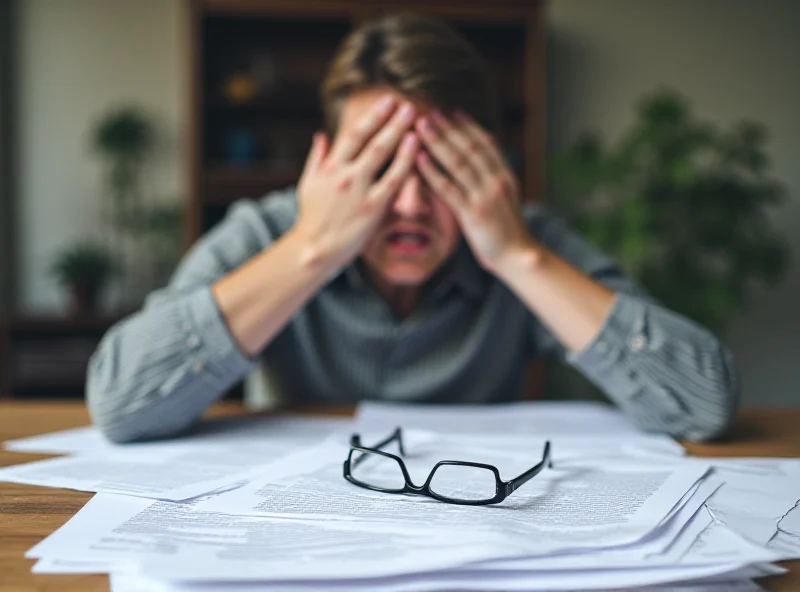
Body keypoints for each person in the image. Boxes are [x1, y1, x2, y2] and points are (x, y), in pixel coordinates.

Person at [86, 13, 738, 444]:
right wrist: (312, 248)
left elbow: (703, 406)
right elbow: (119, 405)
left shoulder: (521, 237)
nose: (407, 205)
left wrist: (517, 257)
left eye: (439, 167)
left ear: (485, 163)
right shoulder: (270, 232)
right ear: (330, 161)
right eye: (378, 166)